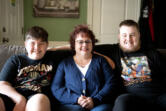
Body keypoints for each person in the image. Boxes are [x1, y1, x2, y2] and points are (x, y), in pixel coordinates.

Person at [94, 19, 166, 111]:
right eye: (124, 35)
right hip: (134, 100)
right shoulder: (114, 51)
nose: (128, 39)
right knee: (122, 100)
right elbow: (86, 46)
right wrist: (70, 45)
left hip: (158, 97)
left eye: (132, 35)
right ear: (119, 36)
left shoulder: (152, 53)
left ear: (139, 35)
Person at [51, 24, 119, 111]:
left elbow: (111, 83)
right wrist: (76, 99)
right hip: (71, 105)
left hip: (98, 104)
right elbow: (56, 88)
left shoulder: (101, 61)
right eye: (80, 42)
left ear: (92, 44)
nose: (84, 45)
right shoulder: (64, 64)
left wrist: (95, 100)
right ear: (73, 44)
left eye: (88, 42)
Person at [0, 26, 58, 111]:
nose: (37, 48)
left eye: (41, 43)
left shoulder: (53, 57)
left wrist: (55, 49)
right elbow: (2, 84)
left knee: (39, 100)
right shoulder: (16, 59)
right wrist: (19, 99)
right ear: (26, 44)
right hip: (14, 96)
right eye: (32, 43)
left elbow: (75, 47)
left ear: (47, 45)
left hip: (37, 98)